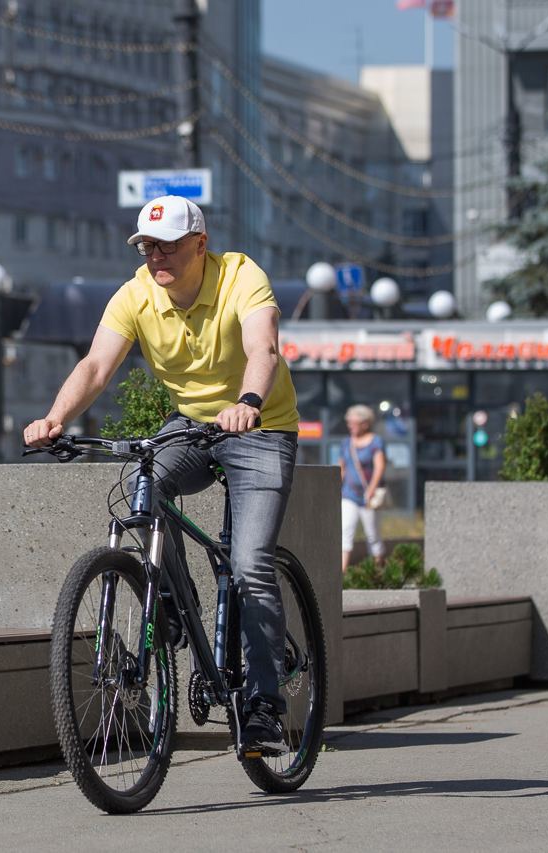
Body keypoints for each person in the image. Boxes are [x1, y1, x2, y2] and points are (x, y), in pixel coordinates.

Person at [22, 195, 299, 755]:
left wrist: (247, 401)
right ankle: (170, 601)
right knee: (143, 481)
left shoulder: (241, 276)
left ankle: (265, 707)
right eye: (148, 247)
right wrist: (54, 418)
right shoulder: (136, 295)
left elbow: (262, 347)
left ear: (201, 243)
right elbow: (96, 367)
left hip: (261, 427)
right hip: (192, 427)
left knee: (249, 565)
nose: (156, 257)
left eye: (168, 245)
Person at [339, 404, 386, 573]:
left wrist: (371, 490)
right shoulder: (346, 443)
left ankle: (377, 571)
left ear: (365, 424)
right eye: (349, 422)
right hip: (349, 494)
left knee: (372, 534)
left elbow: (379, 467)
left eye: (354, 422)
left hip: (368, 496)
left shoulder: (375, 442)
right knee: (345, 531)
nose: (350, 425)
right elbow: (342, 468)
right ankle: (341, 573)